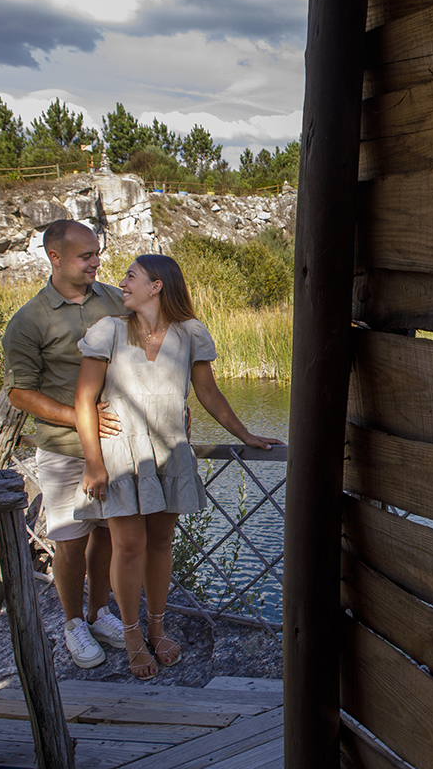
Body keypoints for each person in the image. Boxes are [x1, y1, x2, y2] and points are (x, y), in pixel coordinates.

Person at [73, 254, 281, 679]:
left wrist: (247, 436)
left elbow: (209, 394)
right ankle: (132, 635)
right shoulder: (108, 331)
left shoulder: (190, 334)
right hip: (120, 453)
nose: (122, 283)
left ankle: (157, 626)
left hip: (171, 451)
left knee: (160, 544)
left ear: (157, 286)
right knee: (128, 545)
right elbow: (84, 402)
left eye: (131, 277)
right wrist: (93, 462)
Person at [2, 219, 127, 668]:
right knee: (71, 540)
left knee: (111, 532)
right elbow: (19, 392)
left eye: (97, 253)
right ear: (55, 258)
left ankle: (100, 612)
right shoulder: (29, 320)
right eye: (86, 256)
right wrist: (80, 417)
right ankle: (74, 623)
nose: (97, 262)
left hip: (117, 445)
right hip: (63, 448)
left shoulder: (115, 299)